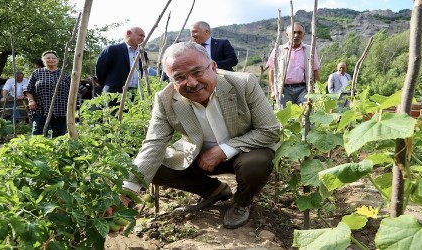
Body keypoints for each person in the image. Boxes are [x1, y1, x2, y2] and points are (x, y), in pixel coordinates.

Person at [122, 41, 279, 229]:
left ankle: (241, 202)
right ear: (171, 80)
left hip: (245, 151)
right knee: (155, 166)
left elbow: (269, 130)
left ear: (213, 67)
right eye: (179, 77)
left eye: (197, 72)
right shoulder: (166, 100)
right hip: (199, 157)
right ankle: (215, 191)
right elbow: (153, 144)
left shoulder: (243, 83)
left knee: (256, 164)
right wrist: (128, 191)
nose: (192, 83)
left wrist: (223, 150)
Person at [266, 22, 320, 107]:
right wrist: (273, 90)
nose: (296, 35)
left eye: (299, 32)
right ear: (287, 35)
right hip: (283, 90)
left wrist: (317, 91)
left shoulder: (310, 50)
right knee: (284, 116)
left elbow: (315, 70)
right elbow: (272, 71)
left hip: (304, 89)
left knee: (305, 115)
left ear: (303, 34)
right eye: (293, 32)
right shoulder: (278, 50)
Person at [24, 50, 71, 137]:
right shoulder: (37, 73)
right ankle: (36, 150)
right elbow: (29, 89)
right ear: (43, 60)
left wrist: (71, 104)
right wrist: (31, 101)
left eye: (53, 58)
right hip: (41, 108)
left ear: (57, 60)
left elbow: (75, 89)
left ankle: (57, 150)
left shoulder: (64, 73)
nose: (51, 60)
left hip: (60, 109)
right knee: (37, 133)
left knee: (59, 135)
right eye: (48, 58)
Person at [96, 27, 149, 94]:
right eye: (140, 35)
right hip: (113, 93)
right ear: (128, 33)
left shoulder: (143, 54)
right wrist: (108, 85)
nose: (142, 39)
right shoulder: (112, 50)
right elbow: (100, 70)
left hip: (135, 93)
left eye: (143, 37)